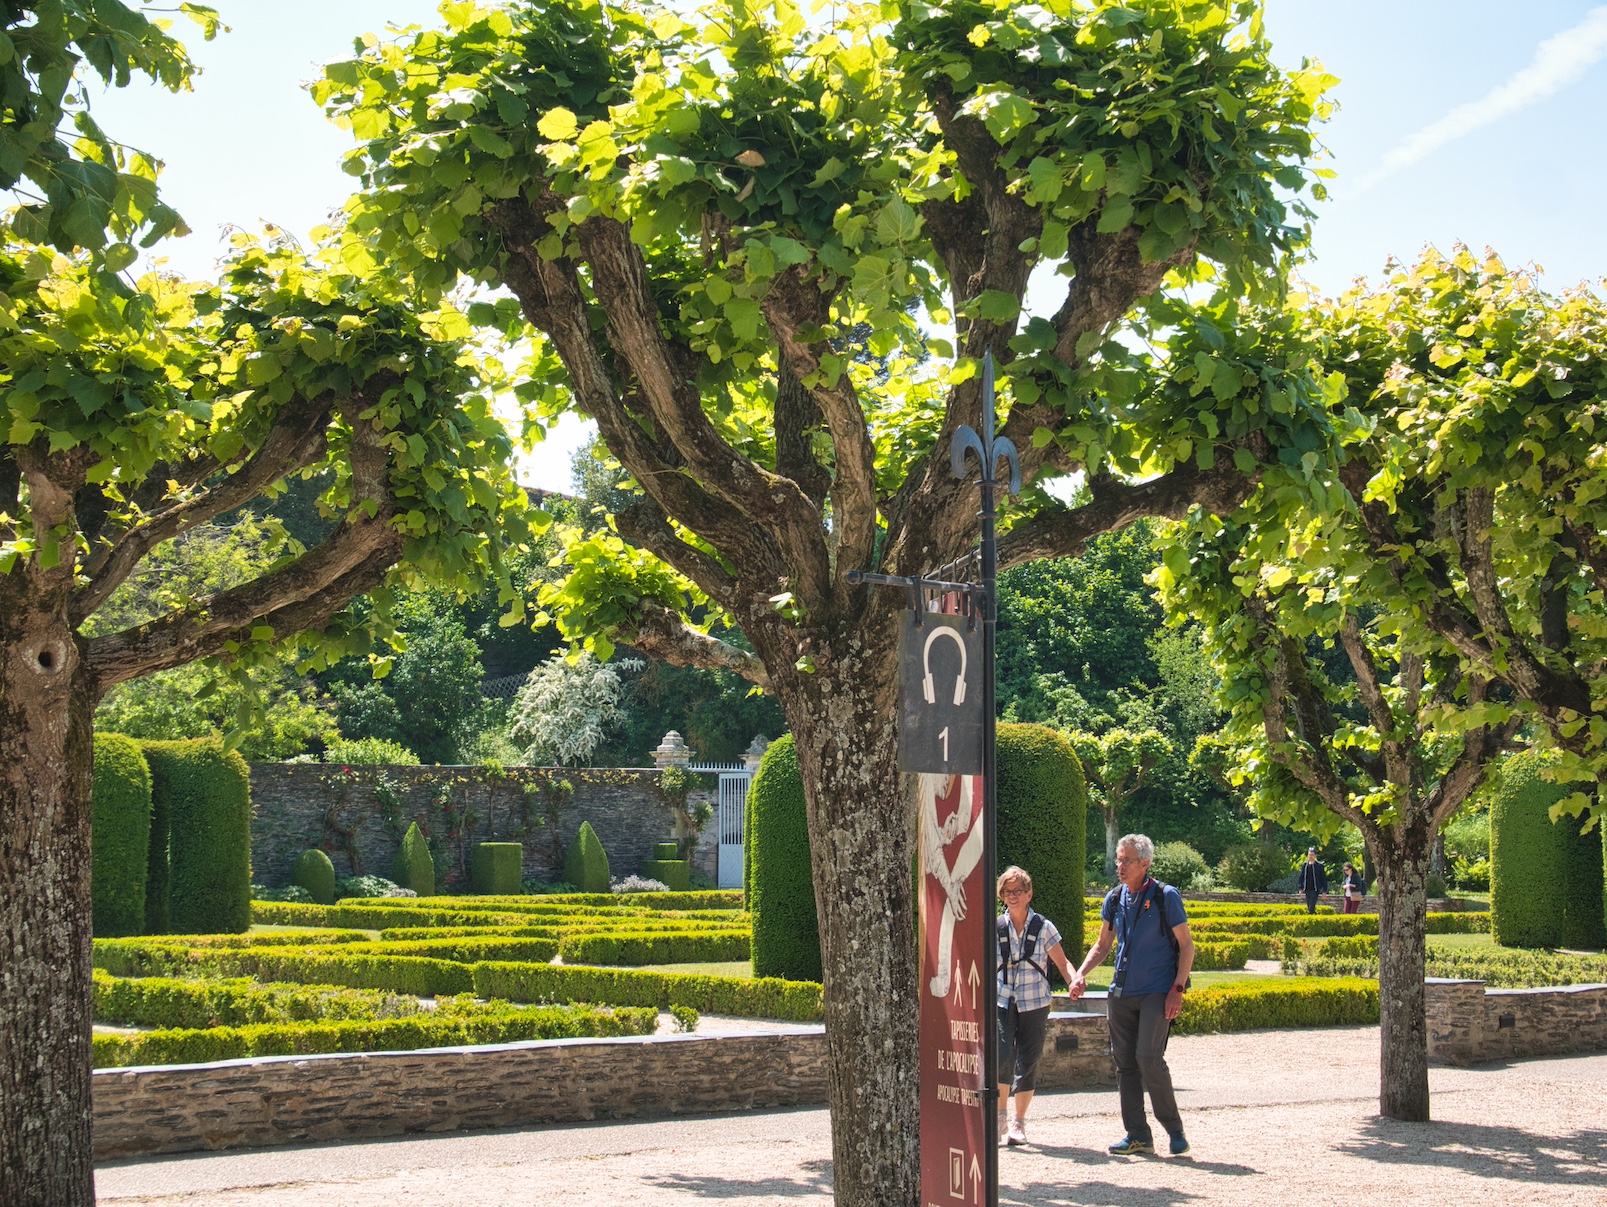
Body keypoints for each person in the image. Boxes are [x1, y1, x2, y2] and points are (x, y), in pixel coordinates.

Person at [1067, 834, 1195, 1157]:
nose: (1120, 866)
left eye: (1127, 861)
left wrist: (1177, 990)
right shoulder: (1114, 898)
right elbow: (1102, 945)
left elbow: (1187, 946)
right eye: (1119, 860)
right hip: (1121, 992)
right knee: (1124, 1064)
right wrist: (1080, 974)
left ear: (1145, 864)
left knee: (1148, 1058)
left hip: (1157, 991)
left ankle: (1174, 1129)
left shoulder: (1166, 896)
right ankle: (1138, 1135)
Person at [995, 866, 1077, 1148]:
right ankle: (1000, 1117)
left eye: (1018, 890)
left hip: (1035, 1003)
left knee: (1027, 1062)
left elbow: (1062, 962)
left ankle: (1018, 1123)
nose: (1012, 896)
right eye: (1007, 891)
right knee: (1001, 1056)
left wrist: (1073, 981)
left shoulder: (1043, 927)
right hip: (1003, 1001)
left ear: (1029, 894)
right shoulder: (997, 927)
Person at [1297, 848, 1328, 914]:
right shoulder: (1305, 865)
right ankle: (1314, 916)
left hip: (1315, 889)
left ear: (1315, 856)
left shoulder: (1319, 866)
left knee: (1311, 907)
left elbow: (1324, 878)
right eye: (1309, 855)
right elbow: (1301, 877)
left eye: (1312, 855)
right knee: (1309, 907)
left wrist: (1324, 891)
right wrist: (1300, 888)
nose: (1310, 856)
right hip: (1307, 889)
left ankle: (1312, 917)